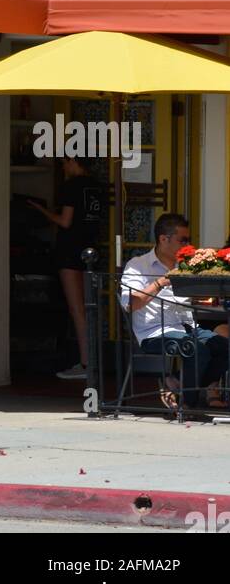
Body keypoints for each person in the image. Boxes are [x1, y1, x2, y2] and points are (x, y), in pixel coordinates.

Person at [121, 213, 229, 410]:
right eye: (183, 240)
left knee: (225, 346)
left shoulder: (185, 264)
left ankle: (178, 382)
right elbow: (131, 304)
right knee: (197, 348)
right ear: (164, 239)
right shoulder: (138, 265)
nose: (187, 244)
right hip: (154, 332)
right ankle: (186, 405)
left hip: (187, 327)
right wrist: (161, 282)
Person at [28, 154, 105, 379]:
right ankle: (94, 360)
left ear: (74, 161)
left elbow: (65, 221)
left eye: (64, 162)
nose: (63, 167)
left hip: (70, 251)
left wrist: (40, 209)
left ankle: (85, 364)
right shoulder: (96, 187)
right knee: (90, 306)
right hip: (91, 250)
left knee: (77, 309)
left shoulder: (72, 186)